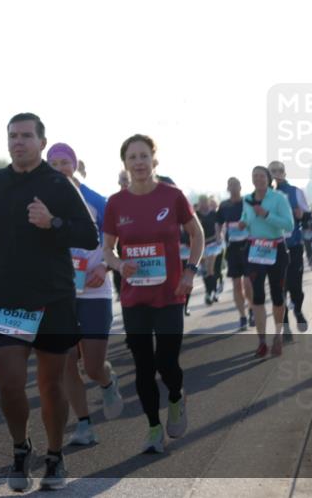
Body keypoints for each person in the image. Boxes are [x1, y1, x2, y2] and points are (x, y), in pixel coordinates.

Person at [0, 114, 98, 491]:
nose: (18, 141)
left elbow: (89, 236)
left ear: (42, 142)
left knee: (50, 384)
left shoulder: (58, 184)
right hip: (7, 299)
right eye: (13, 136)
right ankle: (20, 449)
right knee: (9, 384)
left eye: (26, 136)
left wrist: (53, 223)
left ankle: (55, 457)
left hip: (52, 299)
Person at [102, 135, 202, 455]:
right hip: (135, 298)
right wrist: (119, 264)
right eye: (132, 157)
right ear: (125, 163)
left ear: (154, 161)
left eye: (144, 156)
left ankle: (176, 396)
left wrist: (190, 272)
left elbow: (197, 234)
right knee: (143, 365)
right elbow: (107, 249)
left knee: (167, 361)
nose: (139, 162)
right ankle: (153, 429)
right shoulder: (116, 203)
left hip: (171, 293)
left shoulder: (172, 196)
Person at [45, 143, 124, 449]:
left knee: (92, 365)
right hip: (62, 291)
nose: (60, 167)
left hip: (95, 289)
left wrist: (104, 266)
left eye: (65, 162)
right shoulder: (43, 203)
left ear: (75, 166)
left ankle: (106, 380)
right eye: (53, 163)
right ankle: (85, 424)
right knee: (67, 362)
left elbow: (116, 243)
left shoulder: (97, 201)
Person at [237, 166, 295, 357]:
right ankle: (262, 341)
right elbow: (246, 216)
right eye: (255, 176)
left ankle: (277, 336)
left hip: (276, 249)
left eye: (262, 176)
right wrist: (243, 222)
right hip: (255, 250)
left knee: (278, 296)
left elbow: (289, 224)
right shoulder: (247, 199)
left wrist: (267, 215)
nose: (258, 179)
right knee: (257, 296)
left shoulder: (278, 198)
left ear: (268, 179)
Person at [268, 161, 310, 336]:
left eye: (280, 171)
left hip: (293, 245)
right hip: (273, 247)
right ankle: (285, 325)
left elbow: (307, 217)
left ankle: (298, 311)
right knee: (279, 288)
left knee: (295, 285)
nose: (277, 173)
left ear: (285, 173)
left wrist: (302, 216)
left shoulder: (296, 192)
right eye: (273, 171)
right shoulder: (264, 195)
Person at [217, 177, 254, 330]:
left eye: (235, 185)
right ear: (227, 188)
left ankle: (251, 309)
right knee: (236, 284)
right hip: (232, 248)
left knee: (248, 282)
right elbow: (218, 223)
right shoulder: (224, 205)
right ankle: (242, 316)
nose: (233, 188)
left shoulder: (247, 202)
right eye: (230, 185)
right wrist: (219, 237)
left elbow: (255, 219)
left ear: (240, 186)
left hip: (248, 246)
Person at [195, 196, 221, 305]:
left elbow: (218, 226)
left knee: (210, 269)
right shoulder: (196, 215)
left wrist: (219, 236)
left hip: (213, 243)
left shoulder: (213, 214)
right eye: (201, 202)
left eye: (205, 202)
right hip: (201, 244)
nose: (203, 204)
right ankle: (209, 291)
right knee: (205, 271)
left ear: (208, 202)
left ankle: (212, 292)